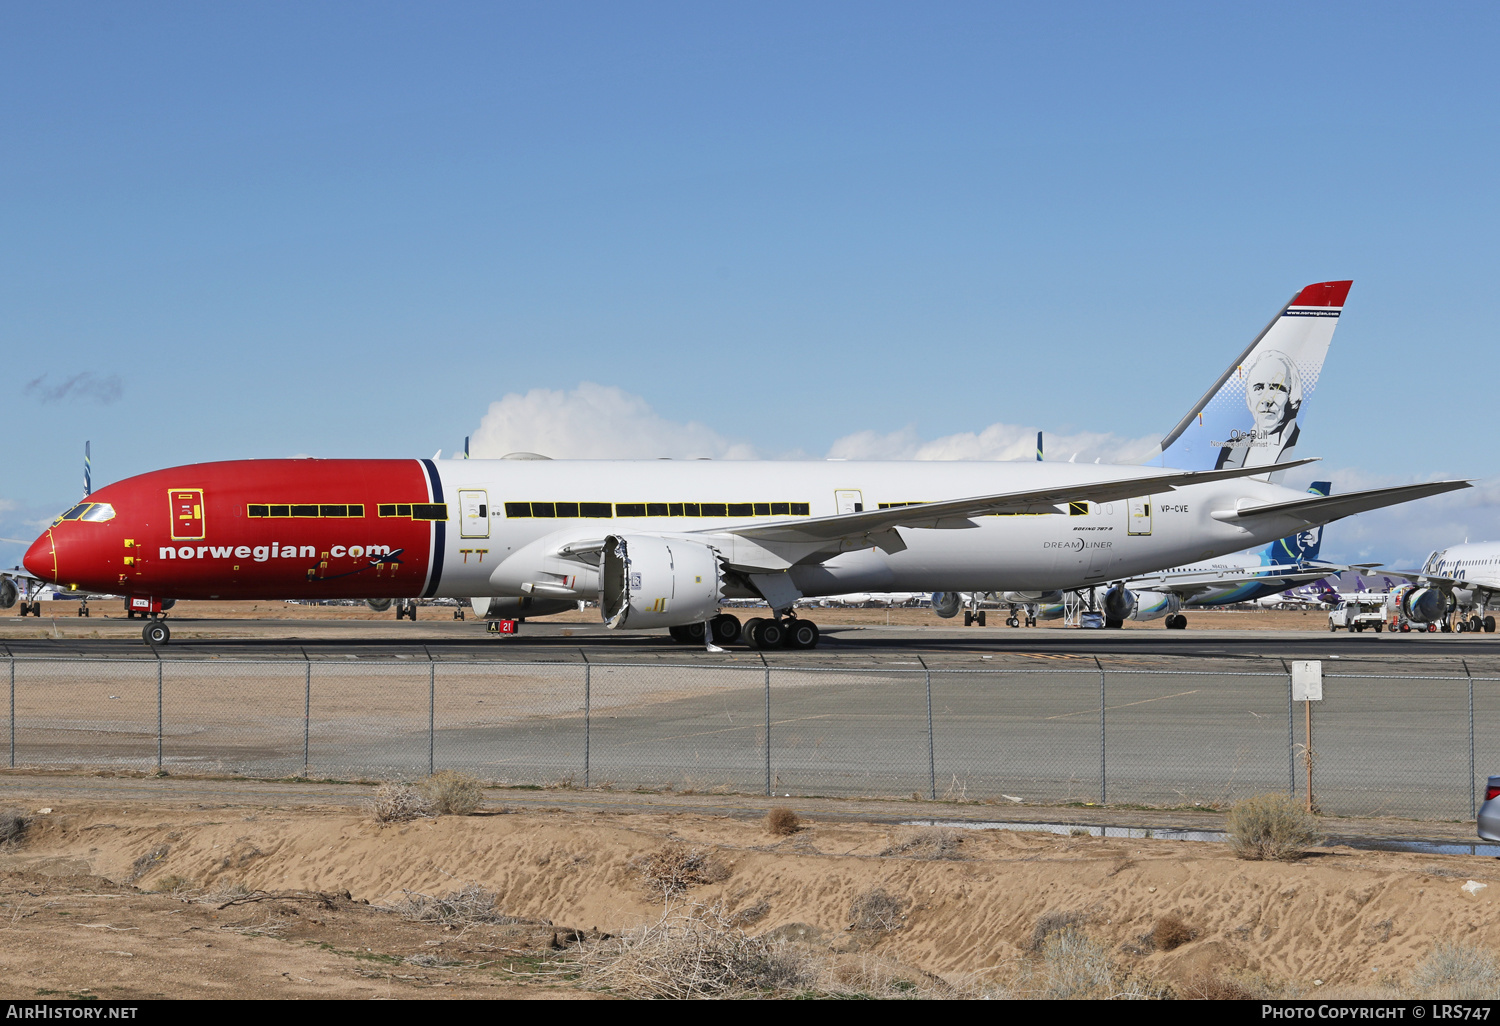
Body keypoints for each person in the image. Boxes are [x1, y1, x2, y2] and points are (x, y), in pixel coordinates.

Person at [1215, 349, 1302, 470]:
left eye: (1277, 388)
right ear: (1248, 397)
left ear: (1292, 396)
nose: (1267, 399)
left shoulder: (1296, 446)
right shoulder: (1231, 447)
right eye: (1259, 388)